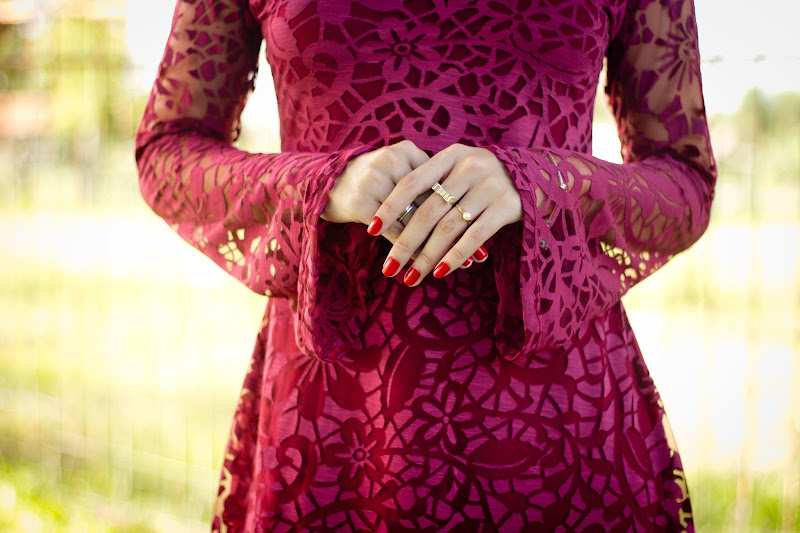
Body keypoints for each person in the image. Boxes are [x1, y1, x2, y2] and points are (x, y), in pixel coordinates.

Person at [135, 0, 715, 530]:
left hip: (561, 416)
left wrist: (542, 186)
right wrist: (321, 184)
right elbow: (167, 150)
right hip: (333, 417)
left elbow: (684, 181)